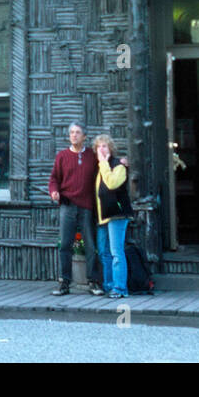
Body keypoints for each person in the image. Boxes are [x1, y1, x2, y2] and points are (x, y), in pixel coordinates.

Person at [48, 122, 104, 296]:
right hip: (67, 205)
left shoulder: (91, 156)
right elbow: (54, 179)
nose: (74, 135)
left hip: (87, 206)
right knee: (65, 244)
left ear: (84, 136)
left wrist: (122, 163)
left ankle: (93, 282)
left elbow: (105, 168)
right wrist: (54, 191)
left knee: (90, 245)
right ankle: (64, 283)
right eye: (71, 132)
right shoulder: (62, 156)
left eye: (78, 132)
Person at [93, 134, 132, 299]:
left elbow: (111, 184)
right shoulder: (99, 167)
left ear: (111, 149)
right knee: (103, 252)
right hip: (102, 216)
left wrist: (103, 163)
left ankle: (120, 287)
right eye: (98, 147)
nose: (101, 149)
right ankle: (109, 285)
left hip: (117, 214)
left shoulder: (118, 166)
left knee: (116, 252)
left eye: (104, 146)